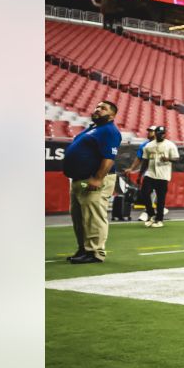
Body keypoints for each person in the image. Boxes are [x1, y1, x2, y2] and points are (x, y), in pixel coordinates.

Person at [63, 101, 121, 264]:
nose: (98, 109)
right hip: (80, 180)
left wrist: (97, 178)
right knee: (79, 217)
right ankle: (84, 249)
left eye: (103, 108)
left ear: (112, 115)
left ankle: (95, 252)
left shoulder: (109, 131)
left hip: (95, 179)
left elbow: (109, 157)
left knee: (93, 216)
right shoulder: (92, 128)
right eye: (97, 107)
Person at [140, 126, 179, 227]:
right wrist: (140, 174)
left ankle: (159, 220)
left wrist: (168, 159)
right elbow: (145, 161)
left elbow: (177, 158)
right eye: (159, 133)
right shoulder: (148, 145)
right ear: (155, 133)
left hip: (163, 175)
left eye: (163, 133)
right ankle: (151, 214)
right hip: (150, 173)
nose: (161, 135)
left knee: (161, 199)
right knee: (144, 194)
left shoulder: (170, 145)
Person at [131, 126, 156, 219]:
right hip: (148, 172)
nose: (149, 133)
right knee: (146, 192)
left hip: (160, 172)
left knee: (156, 192)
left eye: (151, 131)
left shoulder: (164, 144)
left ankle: (150, 212)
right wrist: (132, 168)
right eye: (148, 131)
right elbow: (139, 159)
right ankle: (149, 211)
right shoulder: (144, 145)